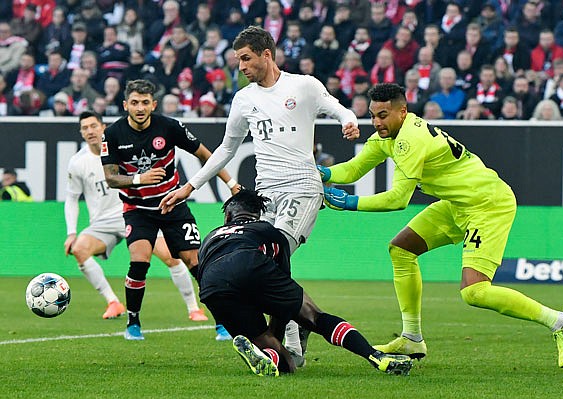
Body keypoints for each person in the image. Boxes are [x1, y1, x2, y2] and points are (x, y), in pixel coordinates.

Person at [317, 83, 563, 369]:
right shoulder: (387, 136)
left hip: (487, 204)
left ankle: (561, 321)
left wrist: (350, 203)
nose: (377, 122)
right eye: (373, 115)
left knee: (474, 291)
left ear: (402, 112)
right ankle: (412, 337)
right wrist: (325, 172)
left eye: (383, 115)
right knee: (401, 250)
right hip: (457, 204)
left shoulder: (410, 140)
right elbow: (355, 168)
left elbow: (397, 200)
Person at [158, 26, 360, 363]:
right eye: (238, 59)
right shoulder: (244, 99)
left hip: (302, 188)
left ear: (267, 54)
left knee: (269, 258)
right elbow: (225, 149)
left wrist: (348, 122)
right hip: (264, 194)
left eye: (246, 58)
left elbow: (339, 109)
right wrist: (189, 187)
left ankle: (289, 340)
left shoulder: (303, 86)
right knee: (262, 263)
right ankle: (295, 334)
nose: (241, 67)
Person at [197, 188, 413, 376]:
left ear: (227, 216)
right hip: (250, 263)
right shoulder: (265, 230)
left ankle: (268, 354)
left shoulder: (210, 237)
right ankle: (374, 355)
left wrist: (266, 337)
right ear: (257, 215)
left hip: (213, 287)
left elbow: (202, 274)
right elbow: (281, 301)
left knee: (269, 348)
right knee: (315, 317)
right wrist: (277, 335)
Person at [101, 79, 239, 340]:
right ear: (125, 105)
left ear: (153, 104)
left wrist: (231, 183)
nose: (139, 108)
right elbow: (110, 178)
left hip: (173, 204)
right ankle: (133, 323)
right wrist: (140, 179)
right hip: (138, 209)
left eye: (144, 102)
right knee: (139, 261)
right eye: (134, 103)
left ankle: (222, 322)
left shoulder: (169, 127)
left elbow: (205, 154)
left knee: (196, 263)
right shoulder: (113, 134)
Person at [66, 110, 210, 322]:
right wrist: (71, 232)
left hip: (137, 211)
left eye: (93, 126)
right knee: (79, 249)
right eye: (85, 128)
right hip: (103, 222)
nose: (90, 131)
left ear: (103, 127)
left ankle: (193, 308)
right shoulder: (78, 162)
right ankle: (113, 302)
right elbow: (71, 198)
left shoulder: (122, 145)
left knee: (171, 257)